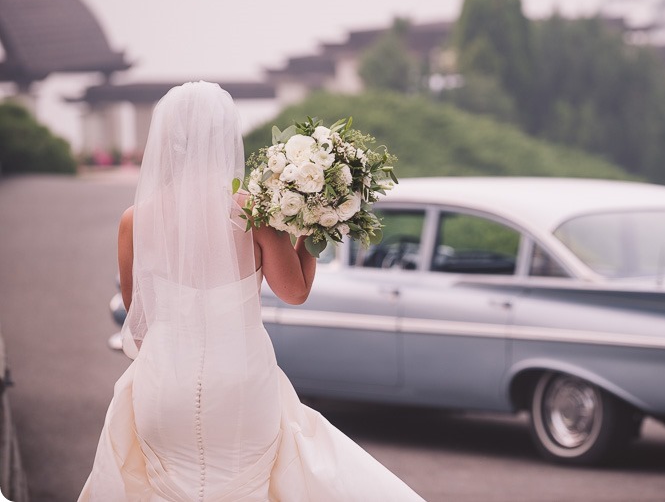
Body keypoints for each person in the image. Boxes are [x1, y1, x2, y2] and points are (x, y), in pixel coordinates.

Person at [79, 81, 425, 501]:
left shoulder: (134, 221)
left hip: (163, 385)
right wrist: (315, 223)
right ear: (228, 140)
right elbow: (294, 292)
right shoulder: (257, 214)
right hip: (240, 386)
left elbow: (139, 320)